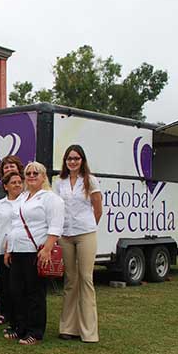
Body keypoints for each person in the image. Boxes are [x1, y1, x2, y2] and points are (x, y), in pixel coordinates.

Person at [5, 162, 64, 345]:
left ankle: (35, 332)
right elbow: (14, 224)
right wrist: (9, 249)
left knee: (34, 294)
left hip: (35, 252)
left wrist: (47, 249)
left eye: (35, 173)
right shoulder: (23, 197)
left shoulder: (50, 198)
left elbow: (55, 225)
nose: (31, 176)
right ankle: (20, 327)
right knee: (17, 291)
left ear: (43, 176)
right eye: (28, 173)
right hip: (18, 250)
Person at [53, 145, 102, 343]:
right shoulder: (60, 182)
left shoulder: (90, 180)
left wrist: (88, 226)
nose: (72, 162)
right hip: (65, 234)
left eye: (76, 158)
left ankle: (89, 332)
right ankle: (68, 328)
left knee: (86, 279)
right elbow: (56, 208)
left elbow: (97, 208)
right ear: (65, 161)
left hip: (85, 233)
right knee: (70, 281)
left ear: (82, 160)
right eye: (69, 159)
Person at [0, 170, 25, 332]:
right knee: (3, 284)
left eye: (19, 182)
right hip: (1, 249)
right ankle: (3, 312)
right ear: (5, 186)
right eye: (13, 182)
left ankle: (17, 314)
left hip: (19, 249)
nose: (17, 185)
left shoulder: (26, 202)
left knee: (17, 284)